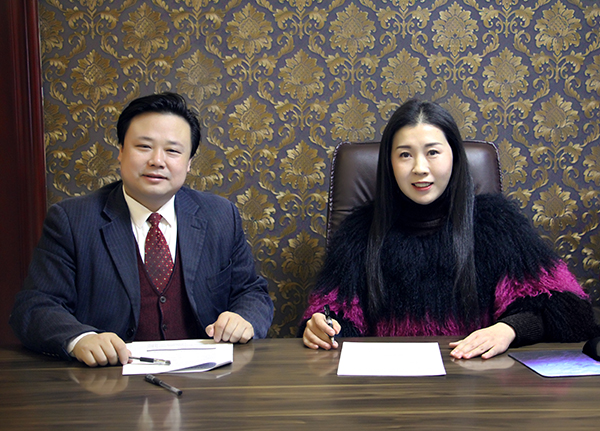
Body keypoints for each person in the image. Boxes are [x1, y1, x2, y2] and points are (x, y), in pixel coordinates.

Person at [301, 99, 599, 359]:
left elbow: (568, 309)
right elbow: (333, 312)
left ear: (454, 156)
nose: (420, 168)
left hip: (476, 383)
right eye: (405, 154)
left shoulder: (498, 224)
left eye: (433, 152)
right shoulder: (359, 232)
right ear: (389, 163)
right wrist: (323, 326)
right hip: (387, 386)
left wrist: (509, 329)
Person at [10, 92, 273, 366]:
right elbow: (34, 306)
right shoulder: (71, 220)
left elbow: (251, 292)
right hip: (109, 377)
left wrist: (243, 318)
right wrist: (80, 338)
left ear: (189, 163)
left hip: (206, 376)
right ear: (121, 152)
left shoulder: (220, 215)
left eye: (173, 151)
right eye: (144, 146)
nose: (157, 160)